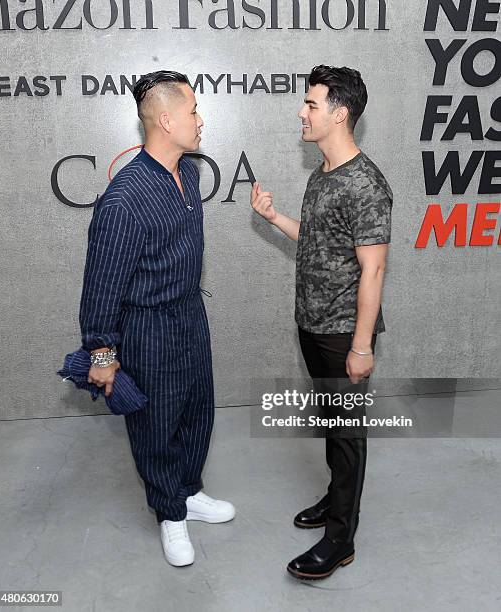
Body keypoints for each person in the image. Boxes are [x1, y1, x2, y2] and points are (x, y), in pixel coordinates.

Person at [79, 70, 235, 568]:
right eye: (193, 110)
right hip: (147, 328)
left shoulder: (187, 173)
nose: (200, 119)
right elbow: (101, 286)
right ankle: (170, 513)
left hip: (190, 312)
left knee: (198, 410)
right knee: (155, 425)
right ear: (167, 120)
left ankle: (188, 491)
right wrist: (102, 354)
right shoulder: (124, 199)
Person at [251, 64, 392, 580]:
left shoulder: (367, 184)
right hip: (312, 325)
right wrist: (272, 217)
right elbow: (313, 238)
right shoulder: (322, 174)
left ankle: (341, 539)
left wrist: (360, 346)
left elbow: (373, 268)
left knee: (348, 433)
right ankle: (335, 501)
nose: (301, 112)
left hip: (342, 335)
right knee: (333, 426)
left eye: (311, 105)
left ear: (341, 114)